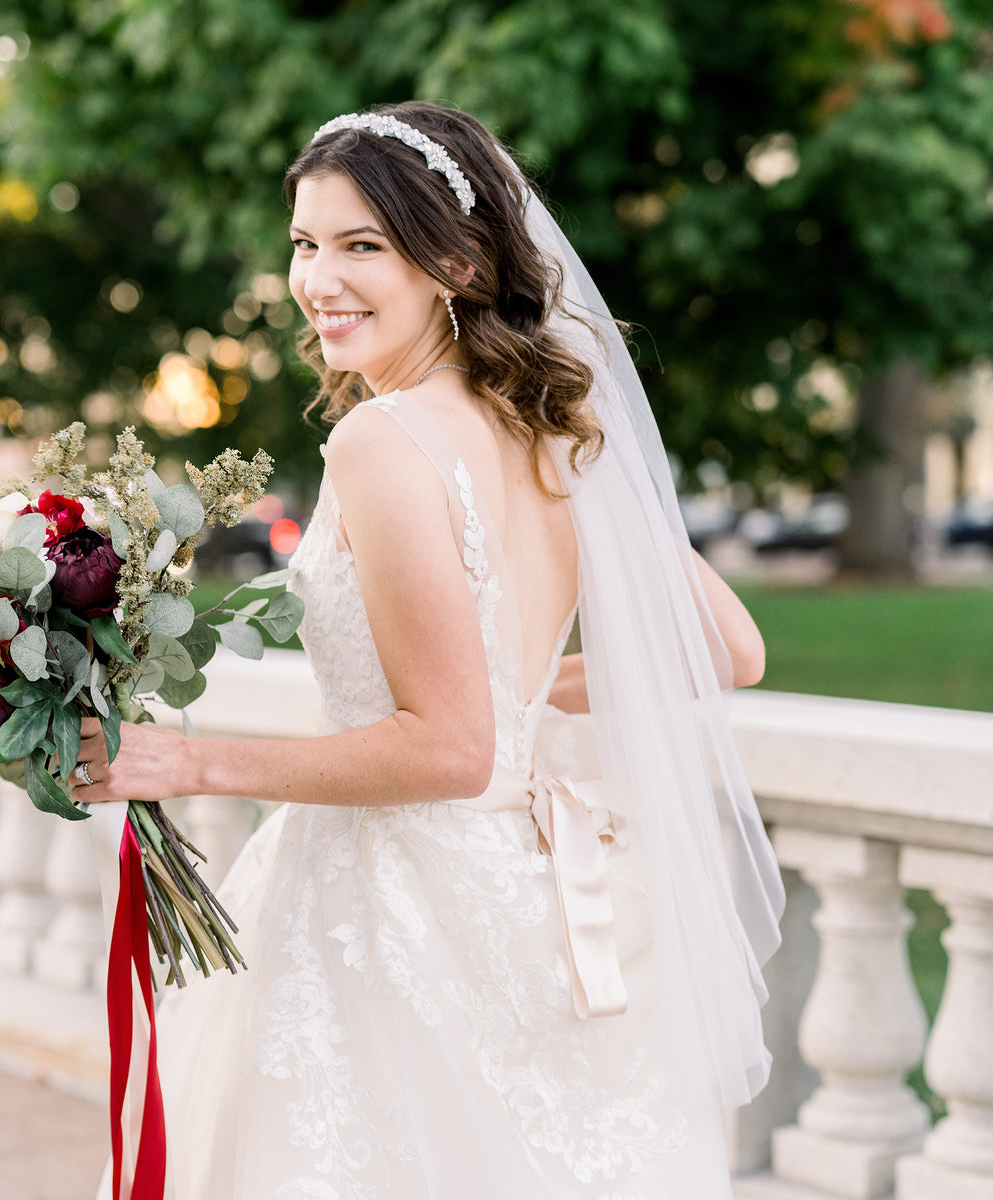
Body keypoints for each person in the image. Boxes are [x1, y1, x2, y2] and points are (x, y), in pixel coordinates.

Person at [78, 100, 785, 1199]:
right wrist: (515, 692)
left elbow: (448, 750)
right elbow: (728, 647)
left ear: (453, 261)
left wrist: (192, 762)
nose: (321, 279)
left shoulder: (382, 440)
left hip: (395, 910)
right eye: (307, 243)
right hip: (532, 896)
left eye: (364, 246)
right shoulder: (553, 424)